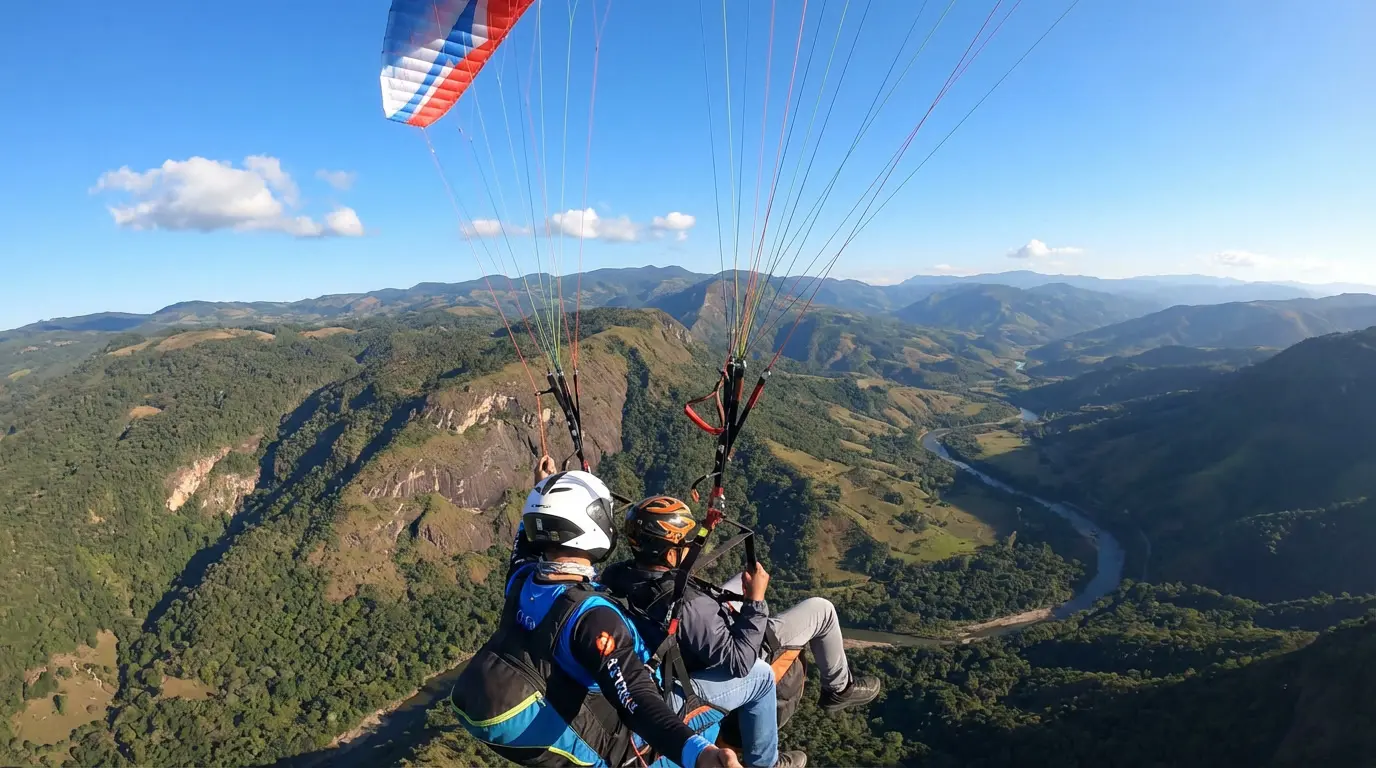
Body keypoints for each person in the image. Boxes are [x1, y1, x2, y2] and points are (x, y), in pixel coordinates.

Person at [451, 457, 742, 768]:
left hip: (536, 703)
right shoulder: (592, 618)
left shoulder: (523, 580)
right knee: (756, 679)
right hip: (622, 747)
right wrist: (701, 754)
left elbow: (523, 544)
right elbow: (637, 702)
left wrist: (542, 491)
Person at [603, 497, 882, 763]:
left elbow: (681, 565)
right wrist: (755, 603)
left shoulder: (618, 574)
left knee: (741, 578)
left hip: (681, 642)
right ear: (671, 552)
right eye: (688, 543)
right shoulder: (691, 607)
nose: (692, 546)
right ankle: (836, 691)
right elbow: (740, 662)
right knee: (820, 610)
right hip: (711, 659)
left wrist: (705, 527)